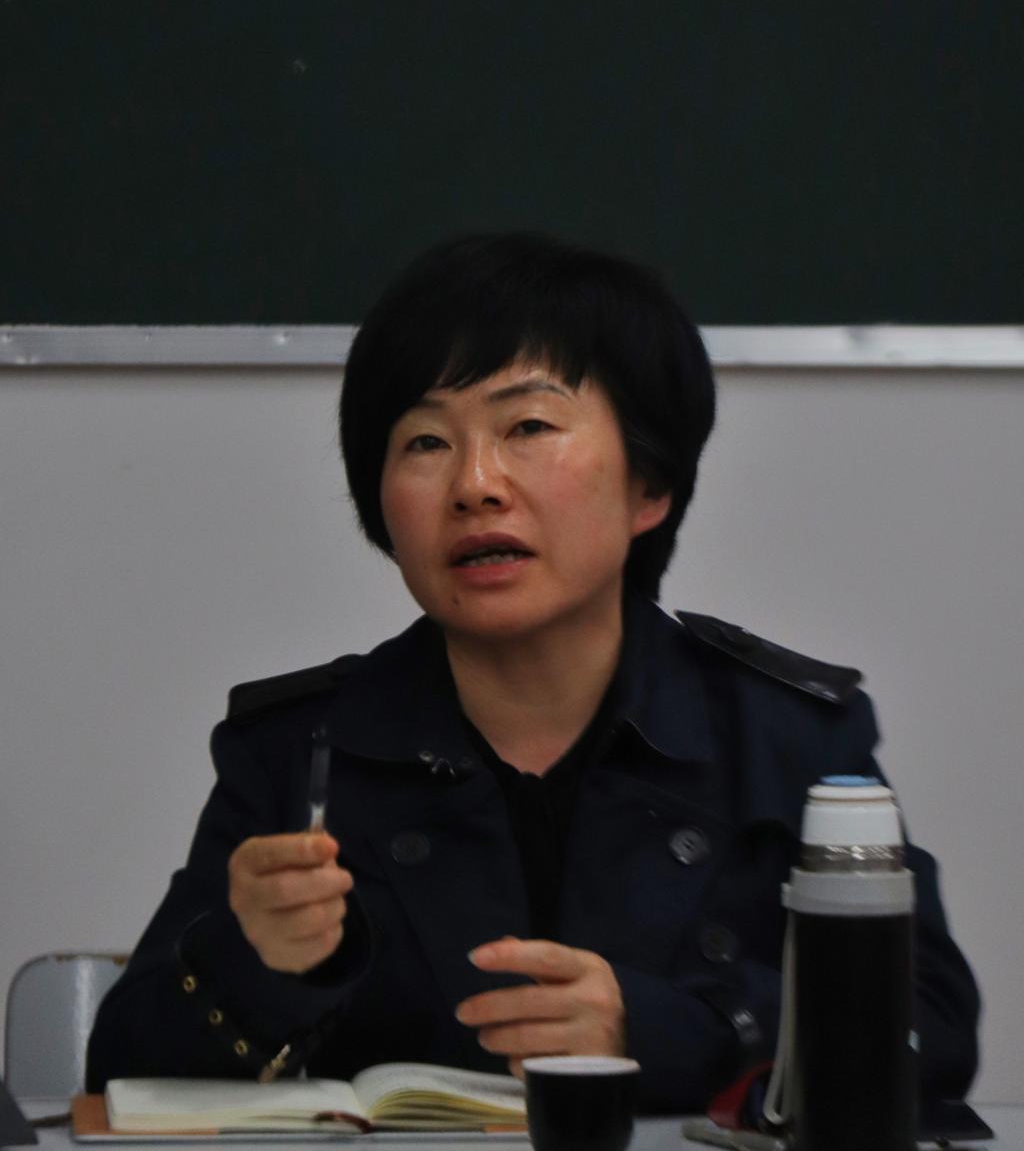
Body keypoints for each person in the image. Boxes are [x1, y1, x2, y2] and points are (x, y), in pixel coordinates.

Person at [87, 234, 979, 1112]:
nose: (475, 484)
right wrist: (251, 963)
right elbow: (116, 1073)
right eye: (425, 442)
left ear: (649, 486)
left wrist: (663, 1030)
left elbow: (932, 1030)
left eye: (529, 427)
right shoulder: (302, 748)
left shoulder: (786, 735)